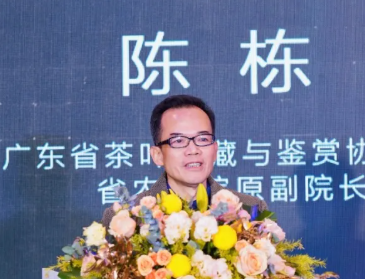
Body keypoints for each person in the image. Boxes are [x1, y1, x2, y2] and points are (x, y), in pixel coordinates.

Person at [101, 95, 266, 227]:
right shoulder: (125, 218)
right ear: (157, 155)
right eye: (178, 141)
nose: (193, 150)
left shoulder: (251, 209)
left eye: (202, 139)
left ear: (215, 150)